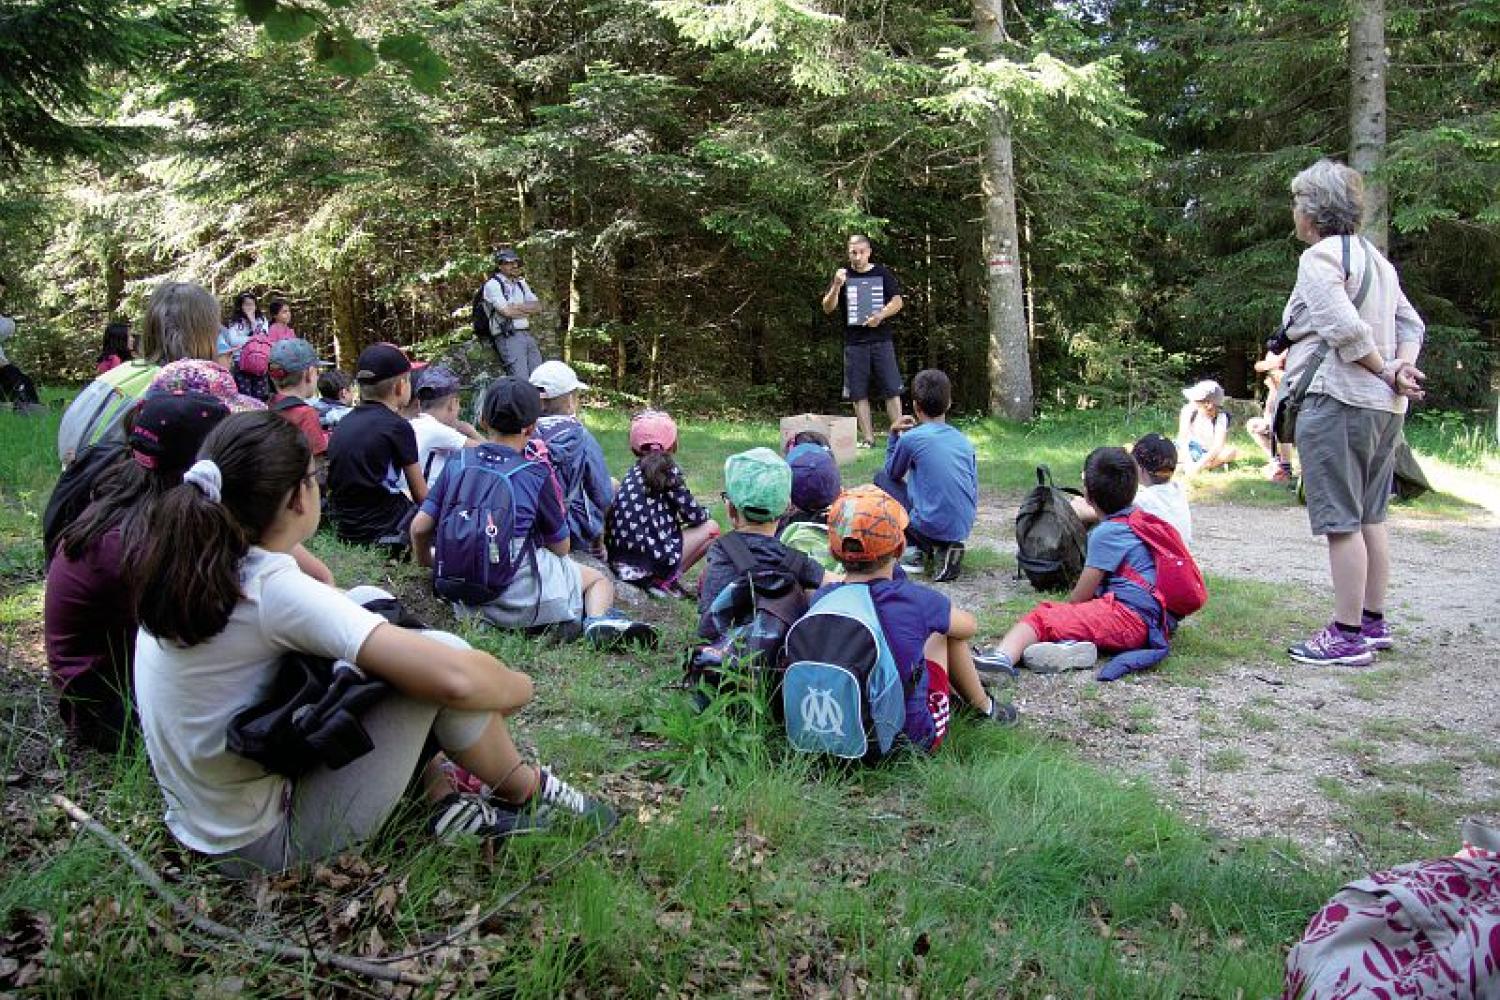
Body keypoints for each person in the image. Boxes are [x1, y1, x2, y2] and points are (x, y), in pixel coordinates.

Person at [133, 412, 615, 875]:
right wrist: (519, 688)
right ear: (298, 499)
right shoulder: (271, 591)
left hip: (206, 819)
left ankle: (442, 799)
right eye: (313, 476)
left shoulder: (197, 552)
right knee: (437, 661)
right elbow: (454, 678)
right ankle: (526, 789)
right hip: (268, 846)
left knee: (370, 602)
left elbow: (329, 589)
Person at [1280, 159, 1425, 666]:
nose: (1294, 212)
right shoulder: (1376, 260)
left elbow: (1344, 329)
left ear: (1314, 211)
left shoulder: (1320, 258)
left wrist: (1387, 370)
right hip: (1385, 410)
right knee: (1370, 516)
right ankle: (1372, 621)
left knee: (1342, 521)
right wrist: (1401, 373)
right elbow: (1413, 324)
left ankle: (1345, 637)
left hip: (1338, 398)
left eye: (1298, 203)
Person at [44, 391, 232, 751]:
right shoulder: (134, 543)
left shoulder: (130, 496)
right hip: (112, 712)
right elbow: (205, 625)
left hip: (111, 686)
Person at [411, 377, 656, 648]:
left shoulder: (459, 461)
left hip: (463, 598)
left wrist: (428, 561)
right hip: (516, 597)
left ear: (482, 420)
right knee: (598, 581)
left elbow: (420, 527)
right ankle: (597, 621)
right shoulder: (535, 474)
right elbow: (561, 548)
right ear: (531, 428)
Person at [814, 485, 1018, 750]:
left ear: (834, 551)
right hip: (910, 739)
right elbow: (968, 627)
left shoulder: (823, 598)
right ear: (900, 548)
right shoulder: (915, 600)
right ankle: (985, 707)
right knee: (943, 630)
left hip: (837, 728)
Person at [977, 447, 1168, 681]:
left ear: (1087, 496)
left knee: (1042, 616)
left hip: (1129, 620)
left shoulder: (1107, 533)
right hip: (1153, 618)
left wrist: (1064, 611)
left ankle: (1000, 660)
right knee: (1076, 619)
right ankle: (1071, 647)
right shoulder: (1140, 518)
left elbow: (1080, 597)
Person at [58, 281, 222, 464]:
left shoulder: (124, 372)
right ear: (206, 333)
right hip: (134, 485)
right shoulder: (186, 390)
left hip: (80, 478)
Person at [873, 369, 977, 583]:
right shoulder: (964, 442)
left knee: (881, 479)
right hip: (962, 525)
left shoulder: (910, 439)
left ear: (915, 406)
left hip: (929, 524)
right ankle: (944, 547)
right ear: (948, 403)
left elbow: (892, 473)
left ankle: (916, 550)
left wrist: (894, 436)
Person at [604, 409, 721, 599]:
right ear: (673, 443)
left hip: (620, 562)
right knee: (712, 528)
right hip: (648, 565)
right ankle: (664, 580)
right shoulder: (668, 472)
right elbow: (695, 515)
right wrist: (705, 512)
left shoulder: (633, 473)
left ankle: (660, 577)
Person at [697, 448, 829, 616]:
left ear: (730, 509)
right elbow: (839, 582)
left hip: (719, 639)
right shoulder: (794, 560)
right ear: (788, 508)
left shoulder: (720, 550)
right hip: (772, 640)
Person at [326, 343, 427, 546]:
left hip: (344, 525)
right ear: (400, 387)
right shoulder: (398, 427)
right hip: (382, 526)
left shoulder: (344, 422)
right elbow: (421, 495)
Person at [820, 234, 905, 449]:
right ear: (848, 253)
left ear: (869, 252)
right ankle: (868, 438)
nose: (857, 257)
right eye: (853, 252)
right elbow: (827, 308)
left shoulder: (882, 273)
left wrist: (881, 315)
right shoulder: (842, 275)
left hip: (881, 340)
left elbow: (897, 301)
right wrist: (837, 285)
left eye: (861, 252)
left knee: (892, 389)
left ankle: (900, 437)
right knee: (858, 393)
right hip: (855, 342)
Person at [530, 360, 614, 557]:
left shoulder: (523, 433)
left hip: (531, 523)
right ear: (569, 401)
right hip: (570, 528)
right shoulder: (581, 437)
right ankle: (599, 549)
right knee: (612, 486)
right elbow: (602, 495)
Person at [1072, 433, 1193, 547]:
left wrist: (1077, 501)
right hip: (1180, 562)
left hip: (1158, 565)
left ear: (1139, 468)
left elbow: (1094, 512)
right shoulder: (1178, 490)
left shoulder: (1142, 501)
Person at [409, 365, 482, 487]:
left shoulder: (414, 423)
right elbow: (491, 451)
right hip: (425, 502)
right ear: (453, 404)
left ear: (419, 404)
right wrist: (472, 431)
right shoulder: (436, 430)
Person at [481, 248, 544, 378]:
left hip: (526, 333)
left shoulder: (521, 283)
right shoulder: (492, 285)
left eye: (516, 262)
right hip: (508, 336)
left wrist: (515, 307)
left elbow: (538, 307)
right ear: (500, 265)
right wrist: (526, 309)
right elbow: (507, 312)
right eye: (509, 263)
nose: (515, 266)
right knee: (520, 380)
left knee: (539, 378)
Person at [267, 338, 332, 460]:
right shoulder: (306, 415)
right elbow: (316, 465)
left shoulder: (268, 405)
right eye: (317, 372)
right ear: (308, 373)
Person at [1246, 349, 1295, 483]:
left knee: (1283, 422)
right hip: (1277, 423)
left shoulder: (1291, 384)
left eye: (1272, 372)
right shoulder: (1274, 385)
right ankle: (1276, 461)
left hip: (1294, 425)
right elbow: (1269, 411)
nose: (1269, 375)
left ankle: (1285, 468)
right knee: (1254, 425)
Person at [1176, 379, 1239, 476]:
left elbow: (1218, 446)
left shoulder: (1221, 417)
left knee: (1230, 452)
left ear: (1208, 404)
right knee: (1169, 450)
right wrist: (1188, 460)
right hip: (1189, 448)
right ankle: (1188, 465)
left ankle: (1198, 467)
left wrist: (1199, 465)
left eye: (1197, 401)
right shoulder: (1188, 410)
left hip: (1209, 452)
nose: (1193, 402)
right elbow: (1182, 438)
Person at [217, 291, 266, 368]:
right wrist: (253, 339)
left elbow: (263, 340)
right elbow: (233, 341)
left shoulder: (262, 320)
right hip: (239, 361)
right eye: (246, 304)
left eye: (252, 304)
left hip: (259, 360)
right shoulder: (234, 322)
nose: (250, 307)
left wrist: (252, 321)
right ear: (240, 306)